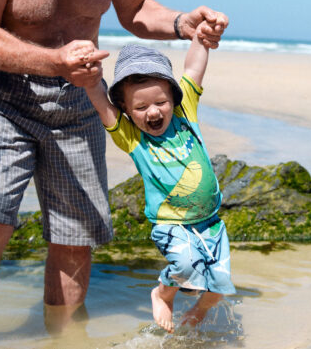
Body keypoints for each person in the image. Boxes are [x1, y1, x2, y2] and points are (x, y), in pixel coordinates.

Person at [0, 0, 228, 347]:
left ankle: (64, 338)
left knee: (75, 235)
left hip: (81, 98)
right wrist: (53, 61)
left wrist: (181, 24)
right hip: (2, 98)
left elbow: (137, 8)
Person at [79, 22, 235, 333]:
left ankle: (198, 312)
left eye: (160, 102)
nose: (153, 112)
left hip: (211, 222)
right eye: (140, 106)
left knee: (220, 287)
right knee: (186, 267)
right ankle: (162, 294)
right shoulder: (132, 138)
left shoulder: (185, 115)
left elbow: (193, 69)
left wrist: (200, 39)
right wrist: (89, 80)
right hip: (171, 224)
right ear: (125, 109)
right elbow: (100, 102)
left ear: (174, 100)